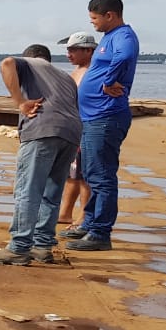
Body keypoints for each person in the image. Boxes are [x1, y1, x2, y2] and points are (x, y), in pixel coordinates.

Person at [0, 44, 82, 266]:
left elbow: (6, 63)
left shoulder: (30, 63)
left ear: (31, 58)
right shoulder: (65, 77)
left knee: (28, 190)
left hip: (43, 130)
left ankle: (19, 248)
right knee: (51, 192)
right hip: (71, 133)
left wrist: (20, 103)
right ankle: (43, 247)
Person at [62, 0, 139, 252]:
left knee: (102, 176)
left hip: (105, 117)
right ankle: (90, 223)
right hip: (92, 117)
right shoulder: (109, 37)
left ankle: (100, 233)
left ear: (110, 15)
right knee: (93, 174)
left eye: (95, 18)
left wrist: (108, 82)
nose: (92, 23)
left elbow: (125, 57)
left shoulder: (124, 36)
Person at [56, 32, 97, 228]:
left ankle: (84, 216)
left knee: (85, 176)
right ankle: (65, 212)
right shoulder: (77, 71)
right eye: (68, 50)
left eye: (73, 50)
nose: (68, 54)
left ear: (88, 50)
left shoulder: (93, 71)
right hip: (74, 127)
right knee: (72, 173)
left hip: (87, 127)